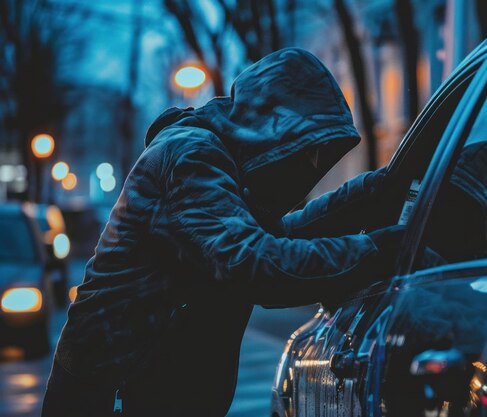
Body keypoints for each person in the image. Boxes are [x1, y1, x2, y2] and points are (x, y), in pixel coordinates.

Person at [42, 48, 404, 416]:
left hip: (146, 394)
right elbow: (256, 263)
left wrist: (371, 193)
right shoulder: (190, 157)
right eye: (308, 149)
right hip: (111, 398)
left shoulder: (219, 164)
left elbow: (277, 237)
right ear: (272, 125)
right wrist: (375, 250)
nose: (311, 165)